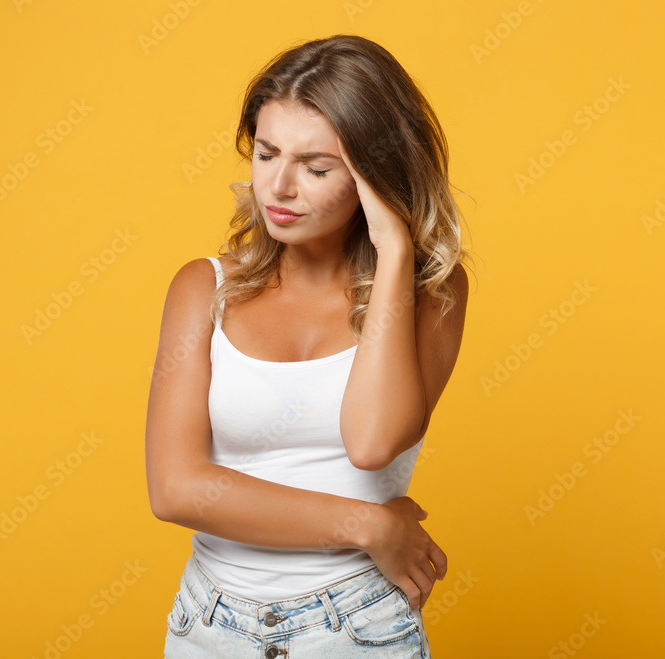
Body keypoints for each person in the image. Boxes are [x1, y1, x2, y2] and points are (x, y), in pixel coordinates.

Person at [145, 33, 471, 658]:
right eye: (266, 155)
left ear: (374, 174)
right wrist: (369, 525)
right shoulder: (203, 288)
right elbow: (176, 488)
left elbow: (371, 443)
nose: (280, 187)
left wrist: (396, 250)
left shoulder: (433, 291)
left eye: (317, 168)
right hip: (209, 626)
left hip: (356, 627)